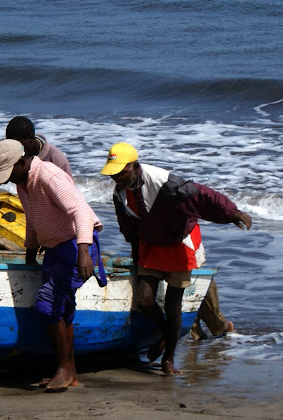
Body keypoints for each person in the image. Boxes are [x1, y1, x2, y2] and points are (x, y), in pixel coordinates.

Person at [100, 142, 251, 375]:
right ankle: (165, 336)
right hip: (150, 244)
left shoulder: (165, 183)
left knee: (173, 306)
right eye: (114, 173)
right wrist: (135, 248)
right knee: (144, 301)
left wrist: (232, 212)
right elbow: (127, 223)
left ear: (135, 165)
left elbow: (202, 195)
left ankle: (168, 358)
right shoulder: (120, 191)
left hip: (179, 244)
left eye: (122, 171)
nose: (118, 177)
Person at [0, 139, 106, 392]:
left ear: (21, 162)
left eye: (9, 172)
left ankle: (63, 369)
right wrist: (30, 256)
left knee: (47, 305)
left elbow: (81, 213)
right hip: (54, 250)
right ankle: (70, 372)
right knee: (62, 310)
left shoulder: (50, 176)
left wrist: (84, 252)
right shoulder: (23, 182)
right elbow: (33, 221)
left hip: (76, 246)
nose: (8, 179)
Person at [0, 115, 72, 207]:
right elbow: (0, 176)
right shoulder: (15, 152)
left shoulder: (56, 160)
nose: (14, 146)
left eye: (18, 143)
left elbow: (69, 199)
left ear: (31, 138)